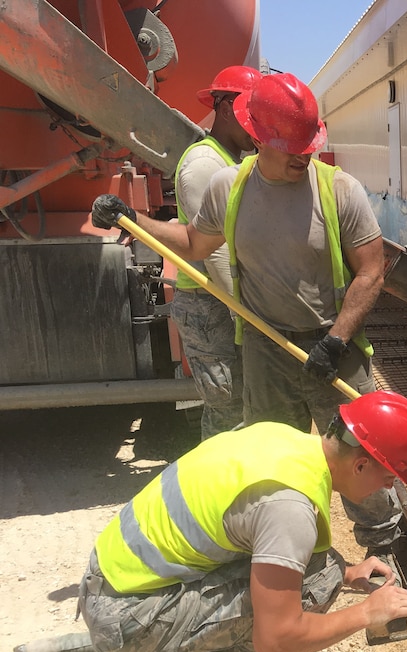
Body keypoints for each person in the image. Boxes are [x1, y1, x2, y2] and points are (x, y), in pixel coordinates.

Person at [12, 391, 407, 652]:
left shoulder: (281, 439)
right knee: (314, 587)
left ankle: (69, 649)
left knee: (327, 567)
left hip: (111, 584)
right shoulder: (289, 507)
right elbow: (277, 639)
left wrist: (349, 571)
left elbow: (250, 529)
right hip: (125, 617)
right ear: (360, 463)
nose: (386, 487)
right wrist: (364, 613)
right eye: (389, 477)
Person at [90, 73, 399, 550]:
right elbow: (195, 243)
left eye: (308, 144)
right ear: (257, 136)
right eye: (291, 146)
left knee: (364, 455)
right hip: (265, 346)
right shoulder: (227, 188)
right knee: (273, 460)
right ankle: (292, 550)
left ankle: (384, 544)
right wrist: (134, 220)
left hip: (334, 344)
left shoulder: (339, 191)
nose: (304, 155)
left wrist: (336, 340)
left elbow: (372, 271)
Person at [171, 65, 260, 439]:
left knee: (240, 407)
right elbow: (216, 253)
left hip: (224, 303)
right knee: (227, 411)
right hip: (212, 305)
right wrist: (252, 319)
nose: (257, 127)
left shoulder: (228, 161)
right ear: (225, 109)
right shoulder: (205, 165)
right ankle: (220, 493)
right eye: (251, 116)